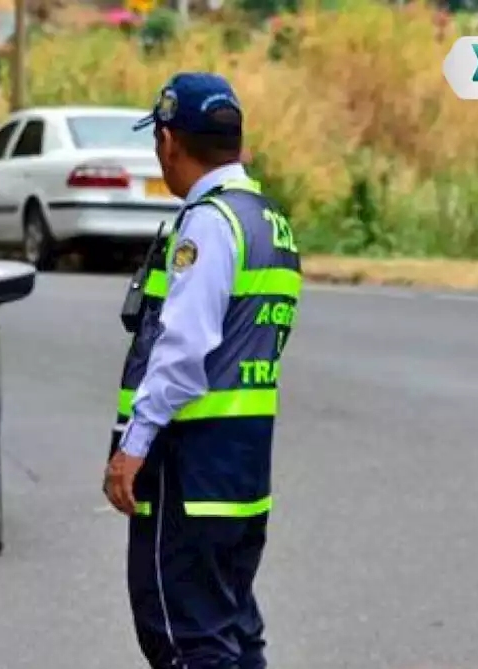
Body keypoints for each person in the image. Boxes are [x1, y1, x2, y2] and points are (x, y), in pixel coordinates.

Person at [102, 72, 303, 669]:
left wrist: (133, 445)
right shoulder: (270, 222)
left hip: (187, 469)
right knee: (232, 632)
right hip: (241, 472)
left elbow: (183, 352)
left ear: (168, 140)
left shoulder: (210, 223)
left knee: (183, 637)